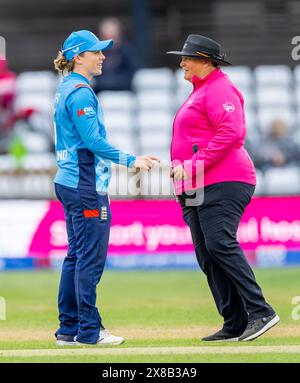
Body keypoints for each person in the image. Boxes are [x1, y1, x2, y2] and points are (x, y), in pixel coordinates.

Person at [167, 34, 280, 341]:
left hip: (224, 180)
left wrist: (193, 165)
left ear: (204, 61)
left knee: (219, 244)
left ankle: (261, 312)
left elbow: (232, 132)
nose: (181, 63)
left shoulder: (219, 88)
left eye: (186, 58)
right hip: (194, 185)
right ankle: (234, 322)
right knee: (207, 253)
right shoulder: (202, 90)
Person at [53, 30, 158, 346]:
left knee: (75, 256)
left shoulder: (66, 87)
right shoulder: (81, 92)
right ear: (78, 57)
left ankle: (69, 329)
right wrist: (131, 160)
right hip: (85, 185)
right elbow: (93, 141)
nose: (103, 57)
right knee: (89, 259)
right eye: (96, 52)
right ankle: (87, 331)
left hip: (70, 181)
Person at [92, 18, 138, 93]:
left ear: (118, 35)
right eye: (105, 37)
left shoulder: (127, 52)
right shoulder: (95, 53)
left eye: (112, 36)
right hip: (100, 93)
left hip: (123, 93)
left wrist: (108, 82)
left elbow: (130, 75)